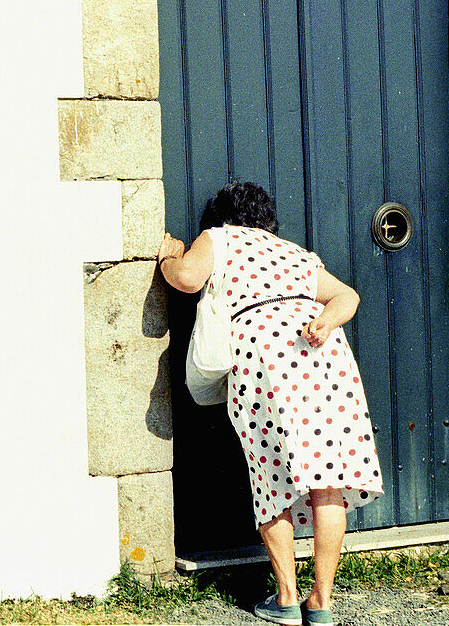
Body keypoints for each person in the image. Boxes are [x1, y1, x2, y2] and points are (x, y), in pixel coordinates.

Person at [158, 181, 383, 626]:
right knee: (327, 478)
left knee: (270, 475)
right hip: (323, 357)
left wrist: (169, 255)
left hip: (264, 357)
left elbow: (185, 279)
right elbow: (348, 297)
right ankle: (320, 603)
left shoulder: (220, 237)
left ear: (224, 215)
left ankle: (285, 598)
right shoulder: (297, 254)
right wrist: (323, 322)